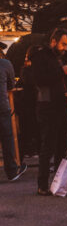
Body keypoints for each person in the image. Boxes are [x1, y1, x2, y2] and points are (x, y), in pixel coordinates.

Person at [31, 28, 67, 195]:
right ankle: (42, 185)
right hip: (47, 106)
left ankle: (60, 184)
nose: (65, 48)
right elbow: (41, 80)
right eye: (63, 44)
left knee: (62, 145)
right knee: (48, 145)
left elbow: (57, 80)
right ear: (54, 41)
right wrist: (61, 71)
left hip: (60, 104)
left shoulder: (57, 58)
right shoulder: (40, 56)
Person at [0, 43, 26, 182]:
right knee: (7, 137)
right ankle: (11, 171)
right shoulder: (5, 63)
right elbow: (11, 85)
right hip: (2, 106)